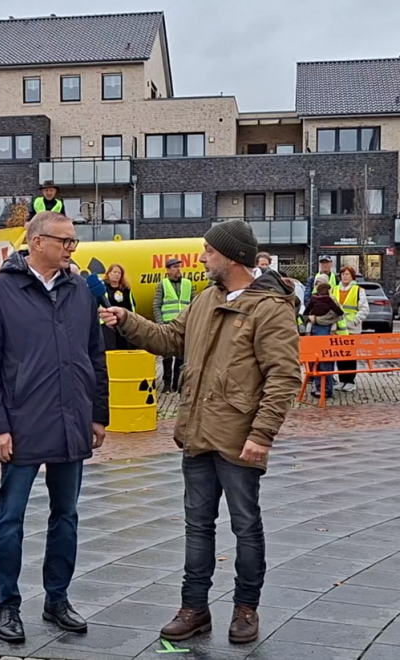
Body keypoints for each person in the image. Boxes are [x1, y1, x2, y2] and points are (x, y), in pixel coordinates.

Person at [100, 219, 301, 646]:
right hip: (196, 434)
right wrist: (126, 320)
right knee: (197, 526)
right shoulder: (206, 298)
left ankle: (246, 609)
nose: (202, 257)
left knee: (246, 527)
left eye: (208, 251)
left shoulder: (269, 308)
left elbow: (283, 377)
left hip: (240, 440)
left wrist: (262, 435)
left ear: (231, 256)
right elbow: (172, 338)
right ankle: (194, 609)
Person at [0, 211, 108, 645]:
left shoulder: (79, 290)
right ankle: (7, 606)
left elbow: (94, 355)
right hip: (21, 424)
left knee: (65, 516)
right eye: (64, 241)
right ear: (35, 242)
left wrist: (97, 414)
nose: (72, 248)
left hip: (72, 421)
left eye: (74, 241)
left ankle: (57, 599)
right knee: (10, 518)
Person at [152, 257, 193, 393]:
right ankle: (167, 384)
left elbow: (193, 305)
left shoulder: (188, 283)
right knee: (167, 356)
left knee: (181, 356)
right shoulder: (162, 284)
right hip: (168, 324)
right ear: (168, 270)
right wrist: (160, 324)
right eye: (174, 267)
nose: (178, 269)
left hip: (183, 325)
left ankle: (177, 383)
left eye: (179, 266)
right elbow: (156, 306)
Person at [303, 279, 345, 399]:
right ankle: (321, 388)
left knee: (323, 360)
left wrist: (315, 319)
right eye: (315, 283)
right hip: (317, 331)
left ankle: (325, 389)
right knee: (320, 361)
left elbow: (334, 316)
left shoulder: (317, 299)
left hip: (324, 330)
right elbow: (339, 313)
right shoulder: (328, 300)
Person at [333, 266, 369, 393]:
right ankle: (342, 380)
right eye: (343, 274)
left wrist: (355, 320)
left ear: (352, 276)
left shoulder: (358, 290)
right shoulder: (335, 289)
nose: (344, 276)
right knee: (340, 355)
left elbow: (364, 309)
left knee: (350, 356)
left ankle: (350, 381)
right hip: (338, 328)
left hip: (352, 328)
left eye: (347, 274)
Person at [102, 263, 136, 352]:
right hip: (108, 325)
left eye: (119, 273)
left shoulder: (126, 289)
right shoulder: (103, 288)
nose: (117, 275)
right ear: (109, 274)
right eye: (114, 272)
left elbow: (131, 306)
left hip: (123, 325)